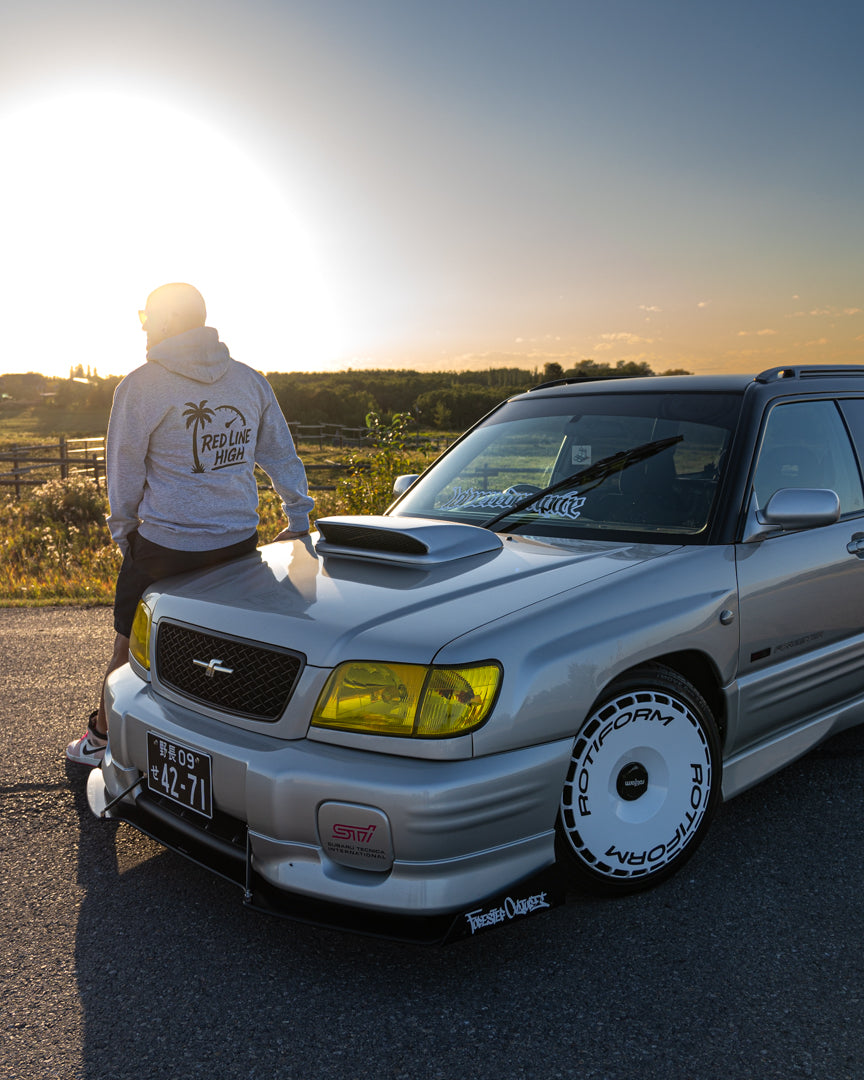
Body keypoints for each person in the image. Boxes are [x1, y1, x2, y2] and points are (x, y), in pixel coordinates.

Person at [66, 282, 314, 765]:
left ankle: (101, 739)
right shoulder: (249, 380)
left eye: (145, 318)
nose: (142, 328)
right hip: (239, 542)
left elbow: (124, 473)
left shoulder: (141, 385)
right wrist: (299, 516)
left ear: (164, 322)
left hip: (164, 546)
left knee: (129, 644)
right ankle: (223, 750)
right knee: (227, 648)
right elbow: (280, 453)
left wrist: (126, 537)